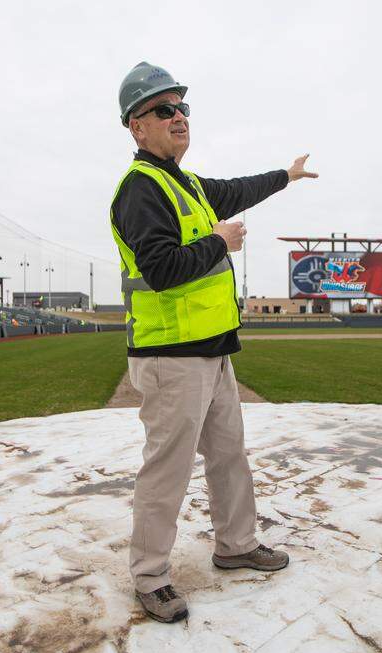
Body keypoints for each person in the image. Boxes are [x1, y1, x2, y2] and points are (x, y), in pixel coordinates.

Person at [110, 62, 317, 623]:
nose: (177, 116)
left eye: (181, 107)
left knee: (229, 457)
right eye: (162, 109)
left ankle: (236, 544)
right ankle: (151, 577)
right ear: (137, 127)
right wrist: (219, 242)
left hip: (212, 351)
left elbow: (239, 189)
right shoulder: (140, 190)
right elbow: (160, 268)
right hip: (170, 357)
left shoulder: (189, 184)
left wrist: (287, 176)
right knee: (167, 472)